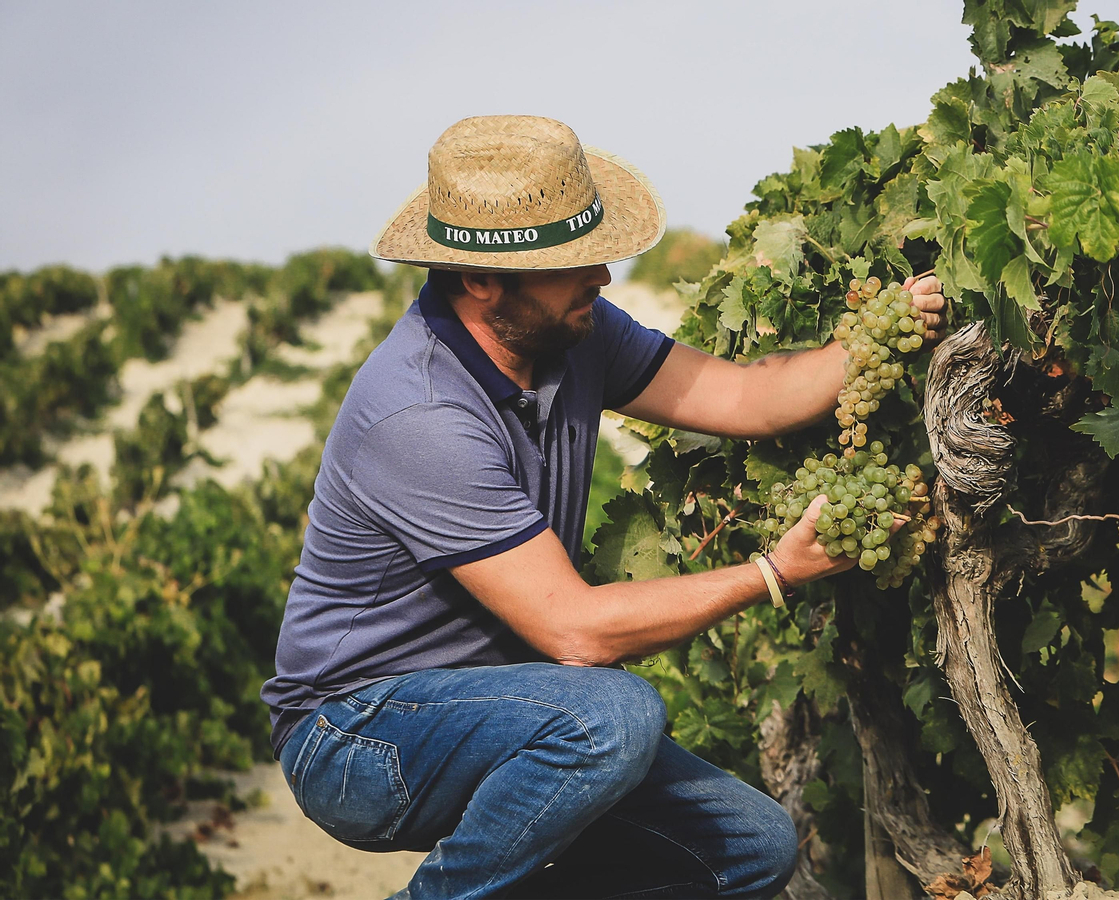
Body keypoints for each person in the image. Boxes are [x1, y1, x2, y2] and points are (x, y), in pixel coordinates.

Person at [261, 115, 944, 900]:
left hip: (505, 708)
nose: (605, 277)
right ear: (483, 279)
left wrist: (870, 339)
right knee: (611, 716)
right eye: (574, 262)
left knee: (750, 847)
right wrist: (772, 573)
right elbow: (575, 633)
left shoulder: (572, 336)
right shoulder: (418, 415)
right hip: (355, 735)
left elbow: (749, 396)